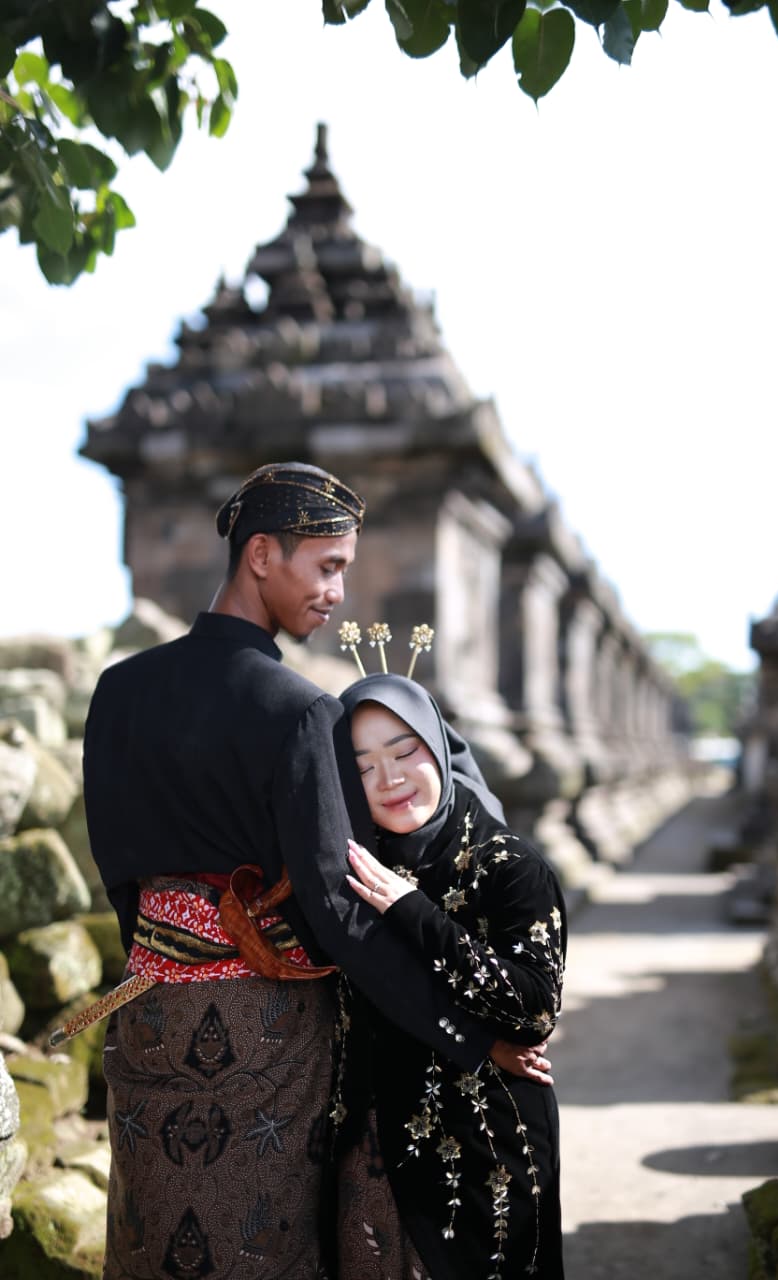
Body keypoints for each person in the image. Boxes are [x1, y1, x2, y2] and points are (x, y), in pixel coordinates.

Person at [82, 462, 542, 1280]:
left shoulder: (118, 691)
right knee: (261, 1243)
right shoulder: (299, 711)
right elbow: (339, 911)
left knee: (149, 1235)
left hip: (149, 1014)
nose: (337, 592)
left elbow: (119, 873)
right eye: (327, 566)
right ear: (262, 555)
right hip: (264, 1031)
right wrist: (468, 1037)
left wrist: (170, 957)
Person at [337, 672, 567, 1280]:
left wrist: (411, 911)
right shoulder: (353, 865)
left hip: (489, 1136)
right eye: (362, 768)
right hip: (378, 1139)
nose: (388, 780)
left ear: (437, 746)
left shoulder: (510, 866)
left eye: (404, 752)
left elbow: (532, 1010)